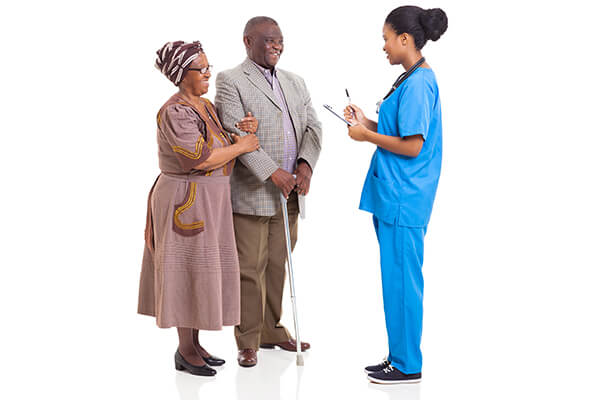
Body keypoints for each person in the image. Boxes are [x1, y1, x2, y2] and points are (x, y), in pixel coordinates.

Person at [137, 40, 260, 376]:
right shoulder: (175, 111)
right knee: (186, 271)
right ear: (181, 74)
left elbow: (217, 142)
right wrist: (243, 147)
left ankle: (195, 344)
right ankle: (185, 349)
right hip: (186, 199)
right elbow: (200, 158)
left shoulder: (203, 105)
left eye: (208, 67)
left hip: (210, 199)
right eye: (201, 69)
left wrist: (240, 134)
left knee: (202, 273)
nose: (209, 73)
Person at [343, 6, 448, 384]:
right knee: (395, 280)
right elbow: (399, 130)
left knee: (403, 283)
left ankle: (407, 365)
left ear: (405, 39)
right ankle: (398, 356)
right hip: (394, 196)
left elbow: (414, 145)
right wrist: (365, 122)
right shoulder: (410, 79)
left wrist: (367, 136)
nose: (383, 46)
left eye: (386, 38)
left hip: (405, 198)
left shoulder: (419, 83)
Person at [214, 16, 322, 367]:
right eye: (268, 40)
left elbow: (313, 126)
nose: (277, 46)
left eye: (280, 40)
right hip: (252, 192)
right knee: (250, 267)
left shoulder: (295, 81)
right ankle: (248, 339)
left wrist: (304, 165)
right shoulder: (231, 80)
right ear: (248, 41)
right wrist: (271, 172)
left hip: (290, 192)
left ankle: (272, 330)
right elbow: (234, 133)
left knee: (278, 263)